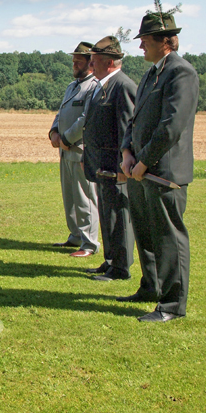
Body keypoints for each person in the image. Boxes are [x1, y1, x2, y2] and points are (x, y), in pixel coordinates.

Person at [119, 8, 199, 322]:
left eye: (145, 41)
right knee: (146, 235)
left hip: (162, 173)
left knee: (169, 238)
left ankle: (172, 306)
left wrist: (144, 163)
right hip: (139, 169)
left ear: (164, 42)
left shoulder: (182, 73)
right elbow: (135, 120)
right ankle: (151, 287)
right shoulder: (153, 73)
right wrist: (127, 152)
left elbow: (171, 127)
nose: (140, 47)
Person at [82, 36, 136, 281]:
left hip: (116, 166)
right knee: (107, 215)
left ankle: (121, 267)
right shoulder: (101, 85)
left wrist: (125, 163)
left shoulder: (122, 86)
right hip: (101, 164)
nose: (91, 67)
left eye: (95, 62)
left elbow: (127, 128)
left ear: (111, 62)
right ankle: (110, 260)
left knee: (119, 217)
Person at [48, 42, 100, 257]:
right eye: (74, 58)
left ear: (91, 62)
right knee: (70, 196)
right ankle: (76, 236)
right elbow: (61, 113)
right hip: (65, 149)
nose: (74, 62)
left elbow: (85, 119)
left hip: (79, 150)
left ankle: (89, 243)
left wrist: (67, 138)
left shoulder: (94, 87)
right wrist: (53, 132)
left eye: (79, 59)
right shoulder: (72, 86)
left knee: (85, 197)